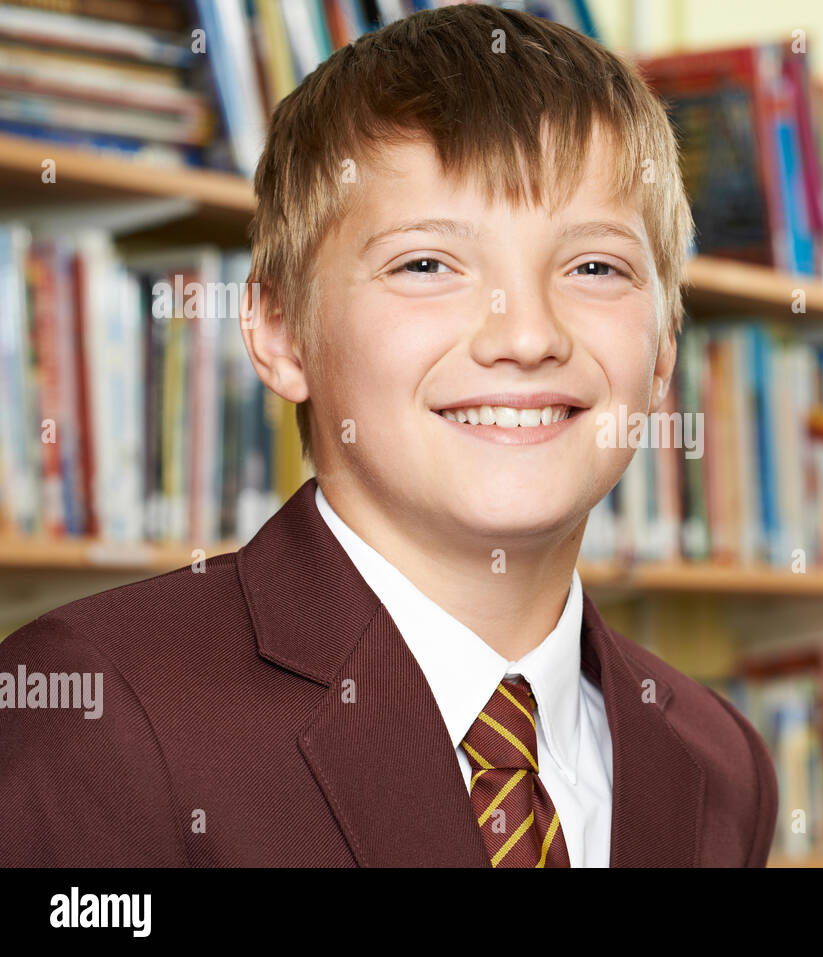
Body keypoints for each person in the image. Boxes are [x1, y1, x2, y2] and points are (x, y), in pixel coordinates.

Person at [0, 3, 777, 868]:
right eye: (427, 265)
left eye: (596, 267)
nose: (525, 334)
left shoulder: (721, 764)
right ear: (282, 333)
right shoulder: (93, 718)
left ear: (663, 352)